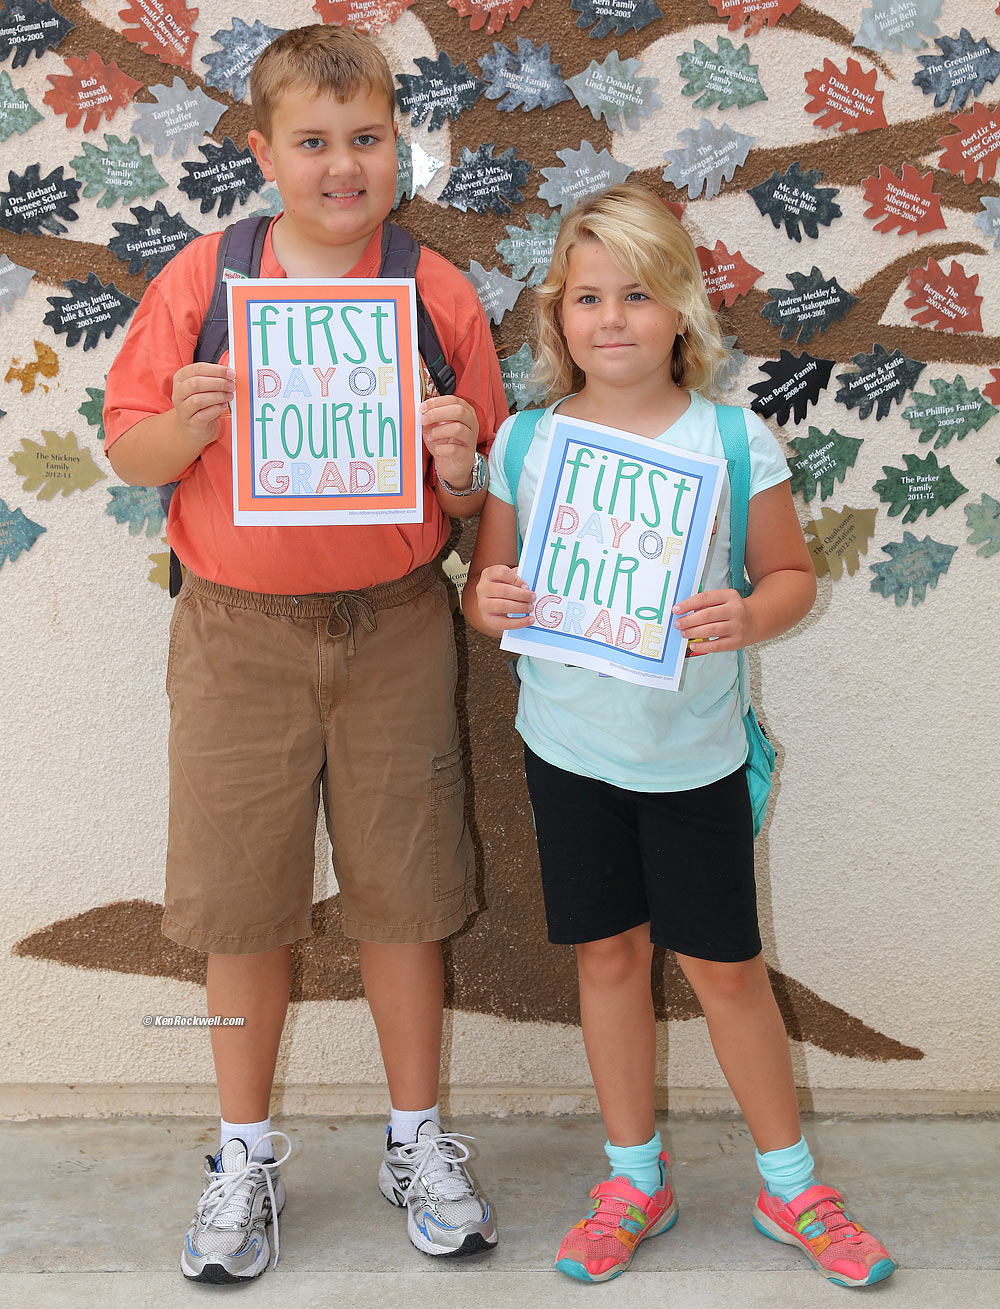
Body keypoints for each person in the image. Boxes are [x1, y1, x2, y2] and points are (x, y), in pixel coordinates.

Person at [103, 25, 506, 1283]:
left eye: (368, 140)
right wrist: (180, 423)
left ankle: (414, 1133)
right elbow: (131, 455)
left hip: (394, 627)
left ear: (401, 146)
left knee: (406, 894)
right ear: (264, 152)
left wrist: (456, 469)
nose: (344, 166)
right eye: (315, 143)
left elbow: (468, 500)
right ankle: (241, 1151)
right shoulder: (205, 280)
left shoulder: (435, 294)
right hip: (236, 637)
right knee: (241, 904)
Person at [463, 183, 896, 1289]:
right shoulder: (525, 440)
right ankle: (633, 1178)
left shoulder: (732, 439)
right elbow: (488, 586)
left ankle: (790, 1184)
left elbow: (790, 577)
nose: (613, 319)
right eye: (588, 297)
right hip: (567, 749)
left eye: (638, 295)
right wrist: (492, 600)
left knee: (725, 969)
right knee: (606, 958)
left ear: (680, 313)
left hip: (694, 757)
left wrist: (746, 616)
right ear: (558, 316)